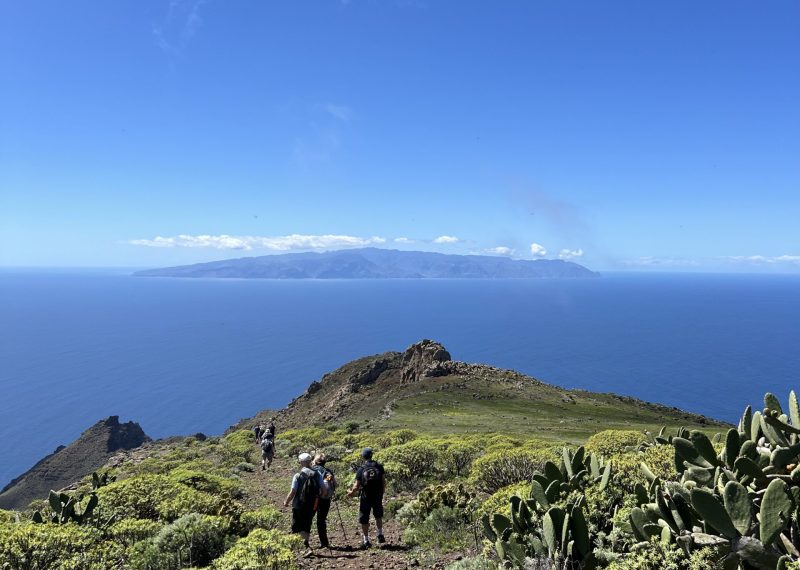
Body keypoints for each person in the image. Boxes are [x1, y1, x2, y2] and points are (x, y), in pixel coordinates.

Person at [283, 453, 323, 554]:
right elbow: (323, 489)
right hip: (312, 504)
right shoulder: (317, 474)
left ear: (301, 462)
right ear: (310, 461)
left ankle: (295, 546)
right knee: (307, 523)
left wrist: (286, 501)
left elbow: (293, 492)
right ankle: (305, 543)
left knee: (296, 524)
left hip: (298, 504)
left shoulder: (298, 475)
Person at [347, 447, 385, 548]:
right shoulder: (379, 466)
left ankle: (366, 540)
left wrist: (351, 492)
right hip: (377, 495)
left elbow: (356, 485)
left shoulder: (361, 469)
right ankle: (380, 534)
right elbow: (383, 481)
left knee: (364, 518)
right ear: (371, 455)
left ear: (363, 456)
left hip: (366, 496)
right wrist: (382, 492)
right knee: (378, 515)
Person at [311, 453, 337, 548]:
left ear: (315, 461)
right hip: (325, 499)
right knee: (321, 520)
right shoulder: (327, 472)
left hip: (313, 499)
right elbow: (335, 484)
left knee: (308, 518)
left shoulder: (312, 470)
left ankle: (305, 541)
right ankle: (324, 542)